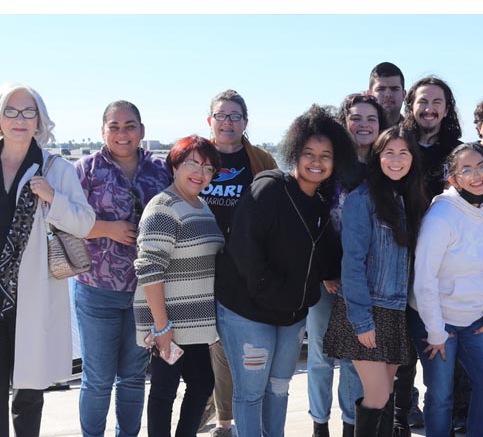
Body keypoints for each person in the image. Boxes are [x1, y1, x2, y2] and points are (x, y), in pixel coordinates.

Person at [0, 83, 95, 437]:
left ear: (39, 119)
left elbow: (84, 224)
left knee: (29, 392)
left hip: (34, 298)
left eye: (29, 112)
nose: (20, 119)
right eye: (11, 111)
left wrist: (52, 197)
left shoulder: (56, 169)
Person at [215, 105, 360, 437]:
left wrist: (329, 276)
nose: (316, 161)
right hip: (248, 310)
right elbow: (244, 250)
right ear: (295, 152)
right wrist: (274, 291)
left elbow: (318, 253)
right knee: (250, 394)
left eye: (326, 155)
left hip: (292, 316)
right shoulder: (269, 188)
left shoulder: (322, 205)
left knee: (279, 389)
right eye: (309, 152)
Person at [73, 101, 172, 437]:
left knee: (131, 378)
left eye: (129, 125)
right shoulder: (85, 170)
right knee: (98, 379)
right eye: (113, 126)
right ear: (103, 131)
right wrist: (106, 228)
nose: (122, 133)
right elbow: (62, 222)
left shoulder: (161, 171)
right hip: (96, 289)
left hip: (145, 292)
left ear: (142, 131)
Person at [324, 127, 429, 437]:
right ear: (378, 158)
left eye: (403, 153)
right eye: (389, 153)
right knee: (378, 395)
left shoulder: (410, 200)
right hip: (365, 310)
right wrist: (361, 320)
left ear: (413, 158)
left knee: (387, 397)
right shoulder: (362, 199)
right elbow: (352, 263)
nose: (396, 160)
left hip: (395, 312)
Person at [410, 143, 483, 437]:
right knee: (440, 394)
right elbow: (424, 280)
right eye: (466, 170)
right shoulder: (440, 216)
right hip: (437, 321)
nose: (477, 175)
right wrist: (436, 332)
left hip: (477, 319)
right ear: (452, 178)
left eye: (481, 167)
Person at [302, 94, 385, 437]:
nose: (363, 124)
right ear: (345, 122)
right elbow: (312, 222)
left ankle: (351, 424)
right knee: (320, 356)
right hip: (326, 280)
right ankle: (319, 424)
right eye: (356, 117)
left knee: (356, 359)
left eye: (371, 118)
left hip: (366, 282)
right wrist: (326, 272)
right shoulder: (329, 165)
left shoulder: (386, 165)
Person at [198, 89, 280, 436]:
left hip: (243, 265)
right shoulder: (196, 155)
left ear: (245, 122)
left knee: (230, 342)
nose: (227, 122)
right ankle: (206, 409)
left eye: (234, 116)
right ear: (209, 121)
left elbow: (278, 209)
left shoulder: (260, 160)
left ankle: (225, 420)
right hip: (199, 262)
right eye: (221, 115)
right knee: (206, 340)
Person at [134, 135, 224, 437]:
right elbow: (149, 268)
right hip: (170, 322)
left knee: (201, 386)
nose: (200, 173)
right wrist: (161, 327)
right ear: (175, 165)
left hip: (196, 325)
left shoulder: (201, 205)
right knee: (163, 393)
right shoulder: (163, 207)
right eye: (193, 164)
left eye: (209, 168)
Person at [392, 76, 464, 434]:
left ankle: (456, 414)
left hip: (448, 261)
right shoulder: (397, 145)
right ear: (411, 106)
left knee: (450, 343)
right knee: (404, 347)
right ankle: (401, 415)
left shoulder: (458, 150)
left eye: (437, 102)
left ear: (447, 108)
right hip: (402, 256)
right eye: (423, 101)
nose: (430, 108)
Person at [367, 62, 406, 129]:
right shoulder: (359, 132)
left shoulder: (416, 135)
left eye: (394, 89)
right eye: (381, 89)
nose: (388, 95)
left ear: (404, 94)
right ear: (369, 95)